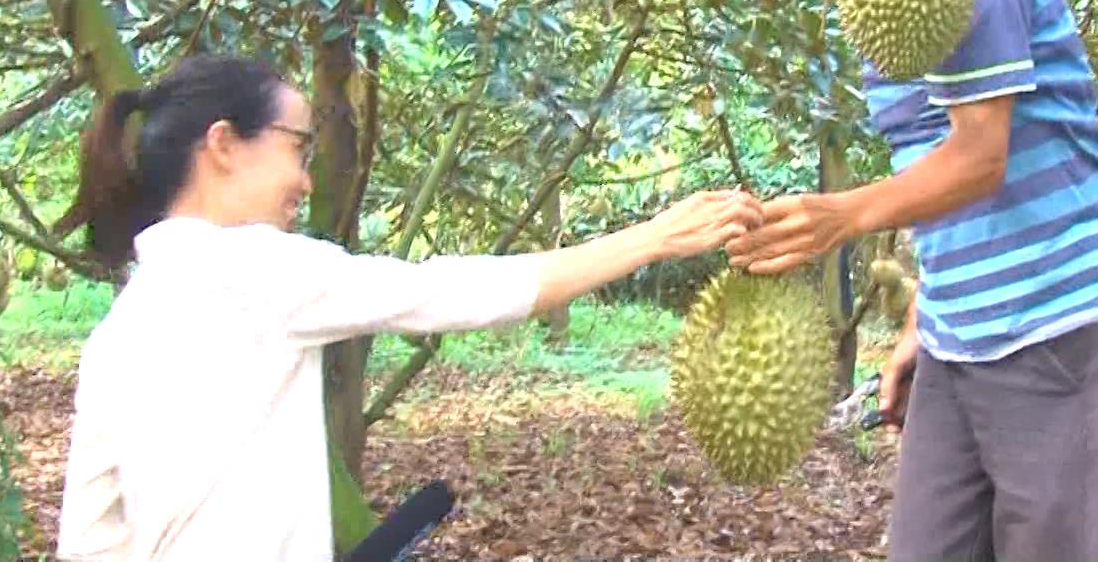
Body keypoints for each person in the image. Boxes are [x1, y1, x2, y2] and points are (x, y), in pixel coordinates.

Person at [699, 0, 1098, 562]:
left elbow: (981, 158)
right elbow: (935, 170)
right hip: (962, 339)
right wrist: (925, 317)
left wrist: (841, 217)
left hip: (1060, 327)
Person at [53, 54, 761, 561]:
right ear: (223, 145)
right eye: (298, 148)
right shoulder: (253, 271)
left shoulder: (120, 329)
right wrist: (656, 236)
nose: (305, 178)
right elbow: (450, 292)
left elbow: (89, 541)